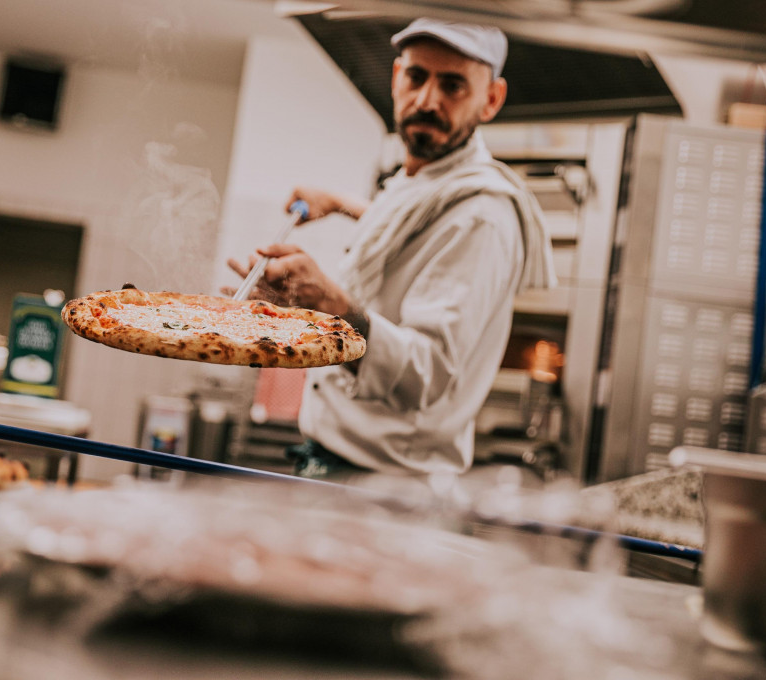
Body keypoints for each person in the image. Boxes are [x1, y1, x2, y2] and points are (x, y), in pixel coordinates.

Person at [227, 18, 556, 479]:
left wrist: (329, 302)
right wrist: (338, 207)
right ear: (397, 76)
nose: (427, 100)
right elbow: (410, 226)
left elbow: (429, 374)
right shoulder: (423, 185)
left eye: (453, 85)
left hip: (385, 488)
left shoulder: (483, 215)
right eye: (417, 77)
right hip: (337, 466)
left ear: (491, 100)